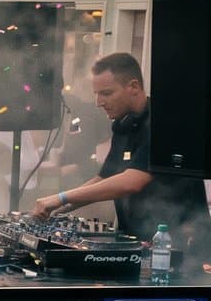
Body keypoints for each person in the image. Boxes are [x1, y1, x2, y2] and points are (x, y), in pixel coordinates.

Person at [32, 51, 210, 276]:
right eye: (96, 94)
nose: (98, 102)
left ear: (133, 86)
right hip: (140, 244)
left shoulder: (164, 124)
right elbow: (104, 178)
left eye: (106, 93)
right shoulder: (124, 125)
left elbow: (131, 182)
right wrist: (61, 208)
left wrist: (60, 197)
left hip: (181, 249)